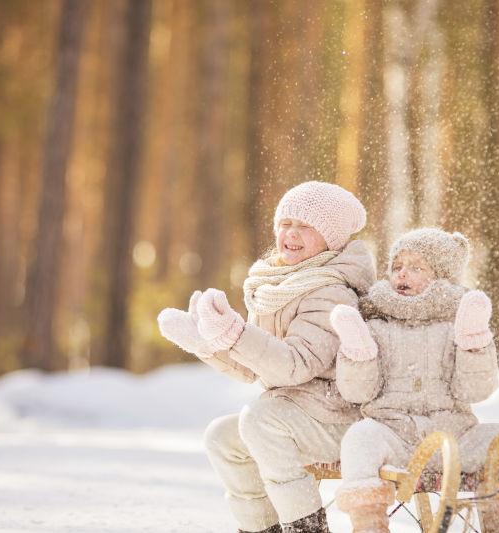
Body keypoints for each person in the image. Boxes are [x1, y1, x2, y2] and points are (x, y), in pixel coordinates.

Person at [158, 181, 376, 533]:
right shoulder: (280, 284)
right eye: (285, 223)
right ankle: (262, 528)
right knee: (222, 437)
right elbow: (251, 368)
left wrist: (236, 334)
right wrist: (207, 343)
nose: (291, 233)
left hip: (337, 420)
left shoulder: (332, 291)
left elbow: (295, 364)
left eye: (306, 226)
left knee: (259, 419)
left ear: (331, 238)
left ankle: (305, 527)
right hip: (294, 416)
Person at [330, 228, 499, 533]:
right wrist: (359, 352)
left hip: (456, 438)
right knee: (360, 438)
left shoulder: (455, 325)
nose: (402, 274)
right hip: (395, 437)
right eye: (397, 266)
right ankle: (369, 526)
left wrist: (473, 344)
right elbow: (359, 393)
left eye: (416, 267)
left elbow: (474, 390)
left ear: (442, 276)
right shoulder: (377, 325)